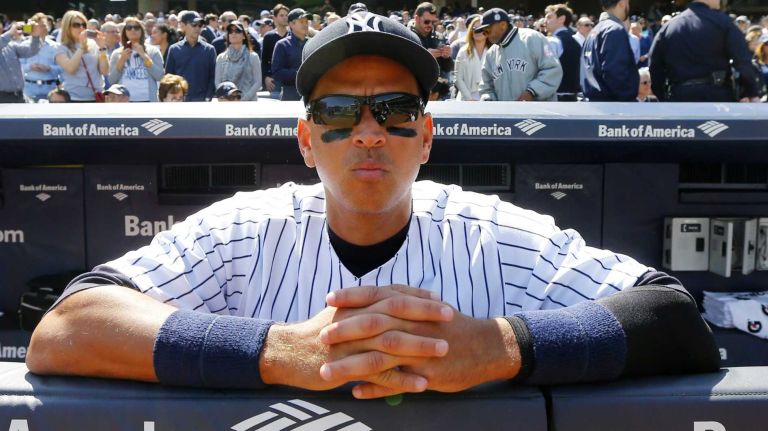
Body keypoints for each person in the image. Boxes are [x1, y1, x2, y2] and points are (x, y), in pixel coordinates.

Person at [26, 11, 719, 399]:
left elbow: (674, 316)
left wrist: (502, 345)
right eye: (336, 110)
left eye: (393, 109)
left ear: (425, 137)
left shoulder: (496, 235)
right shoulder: (242, 230)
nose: (366, 130)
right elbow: (68, 328)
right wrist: (278, 349)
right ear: (305, 139)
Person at [648, 0, 761, 102]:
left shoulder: (669, 27)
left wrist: (664, 97)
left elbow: (654, 67)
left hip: (679, 98)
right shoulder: (723, 23)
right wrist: (751, 92)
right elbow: (743, 62)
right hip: (717, 99)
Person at [476, 8, 563, 101]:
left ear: (502, 25)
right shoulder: (491, 54)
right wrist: (488, 99)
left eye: (487, 30)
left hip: (538, 112)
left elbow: (552, 69)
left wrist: (532, 91)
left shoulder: (532, 38)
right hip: (506, 113)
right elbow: (486, 87)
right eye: (483, 32)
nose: (486, 35)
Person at [581, 0, 639, 101]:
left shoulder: (594, 31)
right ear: (622, 3)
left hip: (595, 104)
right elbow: (615, 73)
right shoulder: (614, 30)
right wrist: (627, 100)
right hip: (613, 107)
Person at [55, 10, 110, 102]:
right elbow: (70, 69)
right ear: (67, 27)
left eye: (84, 25)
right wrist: (81, 47)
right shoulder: (61, 48)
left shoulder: (93, 44)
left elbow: (105, 71)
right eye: (76, 25)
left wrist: (102, 48)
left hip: (96, 96)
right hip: (74, 97)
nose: (81, 28)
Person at [108, 17, 164, 102]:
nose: (133, 30)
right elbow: (111, 80)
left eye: (136, 27)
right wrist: (122, 60)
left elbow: (159, 76)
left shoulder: (153, 51)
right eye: (129, 28)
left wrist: (144, 55)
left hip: (148, 101)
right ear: (125, 32)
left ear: (141, 31)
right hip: (125, 102)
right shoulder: (117, 53)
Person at [165, 11, 216, 101]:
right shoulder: (174, 49)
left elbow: (213, 76)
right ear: (183, 25)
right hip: (180, 101)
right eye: (194, 24)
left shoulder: (209, 49)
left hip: (203, 102)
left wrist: (208, 97)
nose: (197, 28)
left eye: (200, 25)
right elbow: (169, 78)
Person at [215, 21, 261, 101]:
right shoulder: (221, 57)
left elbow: (257, 82)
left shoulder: (253, 57)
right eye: (230, 31)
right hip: (227, 102)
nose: (233, 33)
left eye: (237, 31)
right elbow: (218, 82)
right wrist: (228, 98)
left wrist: (242, 99)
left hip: (249, 103)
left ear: (244, 36)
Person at [544, 4, 581, 101]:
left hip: (555, 99)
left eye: (549, 17)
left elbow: (546, 72)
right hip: (574, 98)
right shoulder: (577, 42)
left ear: (561, 19)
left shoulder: (553, 42)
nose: (545, 21)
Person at [271, 8, 310, 101]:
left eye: (306, 22)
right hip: (290, 94)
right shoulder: (282, 45)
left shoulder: (313, 42)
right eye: (301, 22)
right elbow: (277, 72)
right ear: (291, 24)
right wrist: (299, 75)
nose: (305, 25)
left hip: (311, 93)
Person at [1, 19, 43, 103]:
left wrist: (35, 36)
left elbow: (31, 51)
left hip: (19, 96)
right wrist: (10, 33)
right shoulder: (5, 40)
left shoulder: (10, 45)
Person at [19, 13, 59, 102]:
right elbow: (18, 67)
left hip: (50, 88)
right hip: (30, 88)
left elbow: (62, 68)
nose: (42, 28)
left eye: (44, 25)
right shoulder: (24, 45)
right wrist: (30, 67)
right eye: (39, 26)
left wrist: (50, 68)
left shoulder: (55, 47)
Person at [412, 3, 453, 78]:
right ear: (417, 18)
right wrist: (425, 57)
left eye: (433, 22)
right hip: (415, 86)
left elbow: (447, 68)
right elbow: (403, 66)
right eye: (426, 21)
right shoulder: (407, 36)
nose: (430, 25)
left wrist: (447, 57)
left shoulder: (440, 37)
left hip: (438, 86)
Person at [454, 16, 489, 101]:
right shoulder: (463, 51)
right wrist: (469, 98)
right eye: (475, 28)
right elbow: (458, 79)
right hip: (465, 99)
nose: (478, 31)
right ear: (471, 31)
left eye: (481, 28)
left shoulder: (493, 51)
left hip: (487, 99)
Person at [261, 4, 290, 98]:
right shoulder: (269, 37)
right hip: (274, 79)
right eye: (281, 15)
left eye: (286, 15)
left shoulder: (292, 35)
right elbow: (264, 61)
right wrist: (266, 77)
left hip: (291, 78)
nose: (285, 18)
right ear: (274, 18)